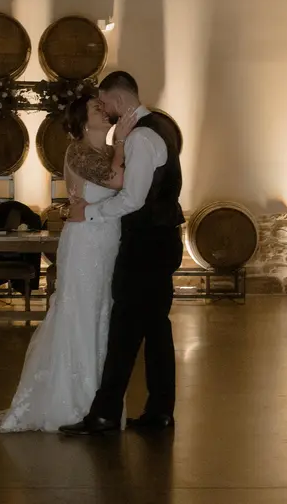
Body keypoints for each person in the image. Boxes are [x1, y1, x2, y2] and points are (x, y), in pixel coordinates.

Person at [0, 94, 137, 433]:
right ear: (83, 121)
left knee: (101, 315)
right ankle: (72, 403)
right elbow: (117, 181)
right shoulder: (78, 151)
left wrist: (119, 146)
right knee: (80, 315)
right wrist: (122, 142)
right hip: (85, 244)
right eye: (96, 108)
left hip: (106, 242)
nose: (104, 111)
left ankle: (100, 402)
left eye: (103, 107)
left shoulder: (104, 151)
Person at [60, 71, 184, 436]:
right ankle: (158, 411)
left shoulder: (142, 137)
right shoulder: (159, 127)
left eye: (104, 103)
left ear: (116, 100)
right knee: (155, 329)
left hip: (145, 245)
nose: (104, 110)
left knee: (125, 330)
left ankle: (105, 414)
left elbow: (132, 198)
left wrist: (90, 213)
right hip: (158, 241)